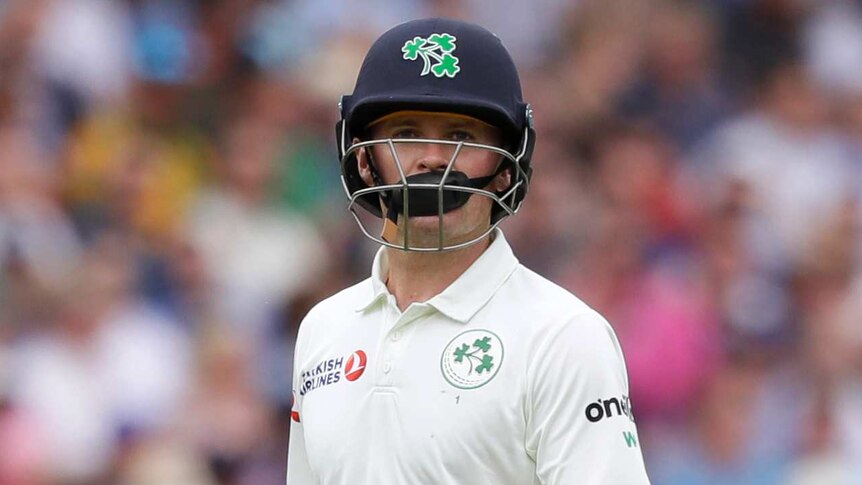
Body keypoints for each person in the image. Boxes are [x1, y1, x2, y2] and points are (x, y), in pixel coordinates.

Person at [287, 18, 651, 484]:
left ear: (506, 168)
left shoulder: (563, 338)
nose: (433, 158)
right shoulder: (324, 329)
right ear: (363, 160)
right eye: (405, 133)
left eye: (462, 136)